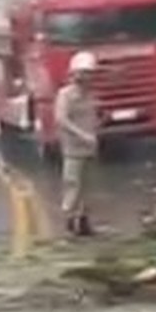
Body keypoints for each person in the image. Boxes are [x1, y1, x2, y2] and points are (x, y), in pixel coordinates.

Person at [55, 50, 100, 237]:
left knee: (88, 187)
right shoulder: (65, 95)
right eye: (84, 73)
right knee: (73, 185)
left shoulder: (90, 95)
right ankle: (69, 221)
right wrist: (82, 135)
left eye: (90, 73)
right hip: (73, 149)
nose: (88, 77)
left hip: (89, 148)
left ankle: (84, 222)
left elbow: (93, 116)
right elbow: (61, 119)